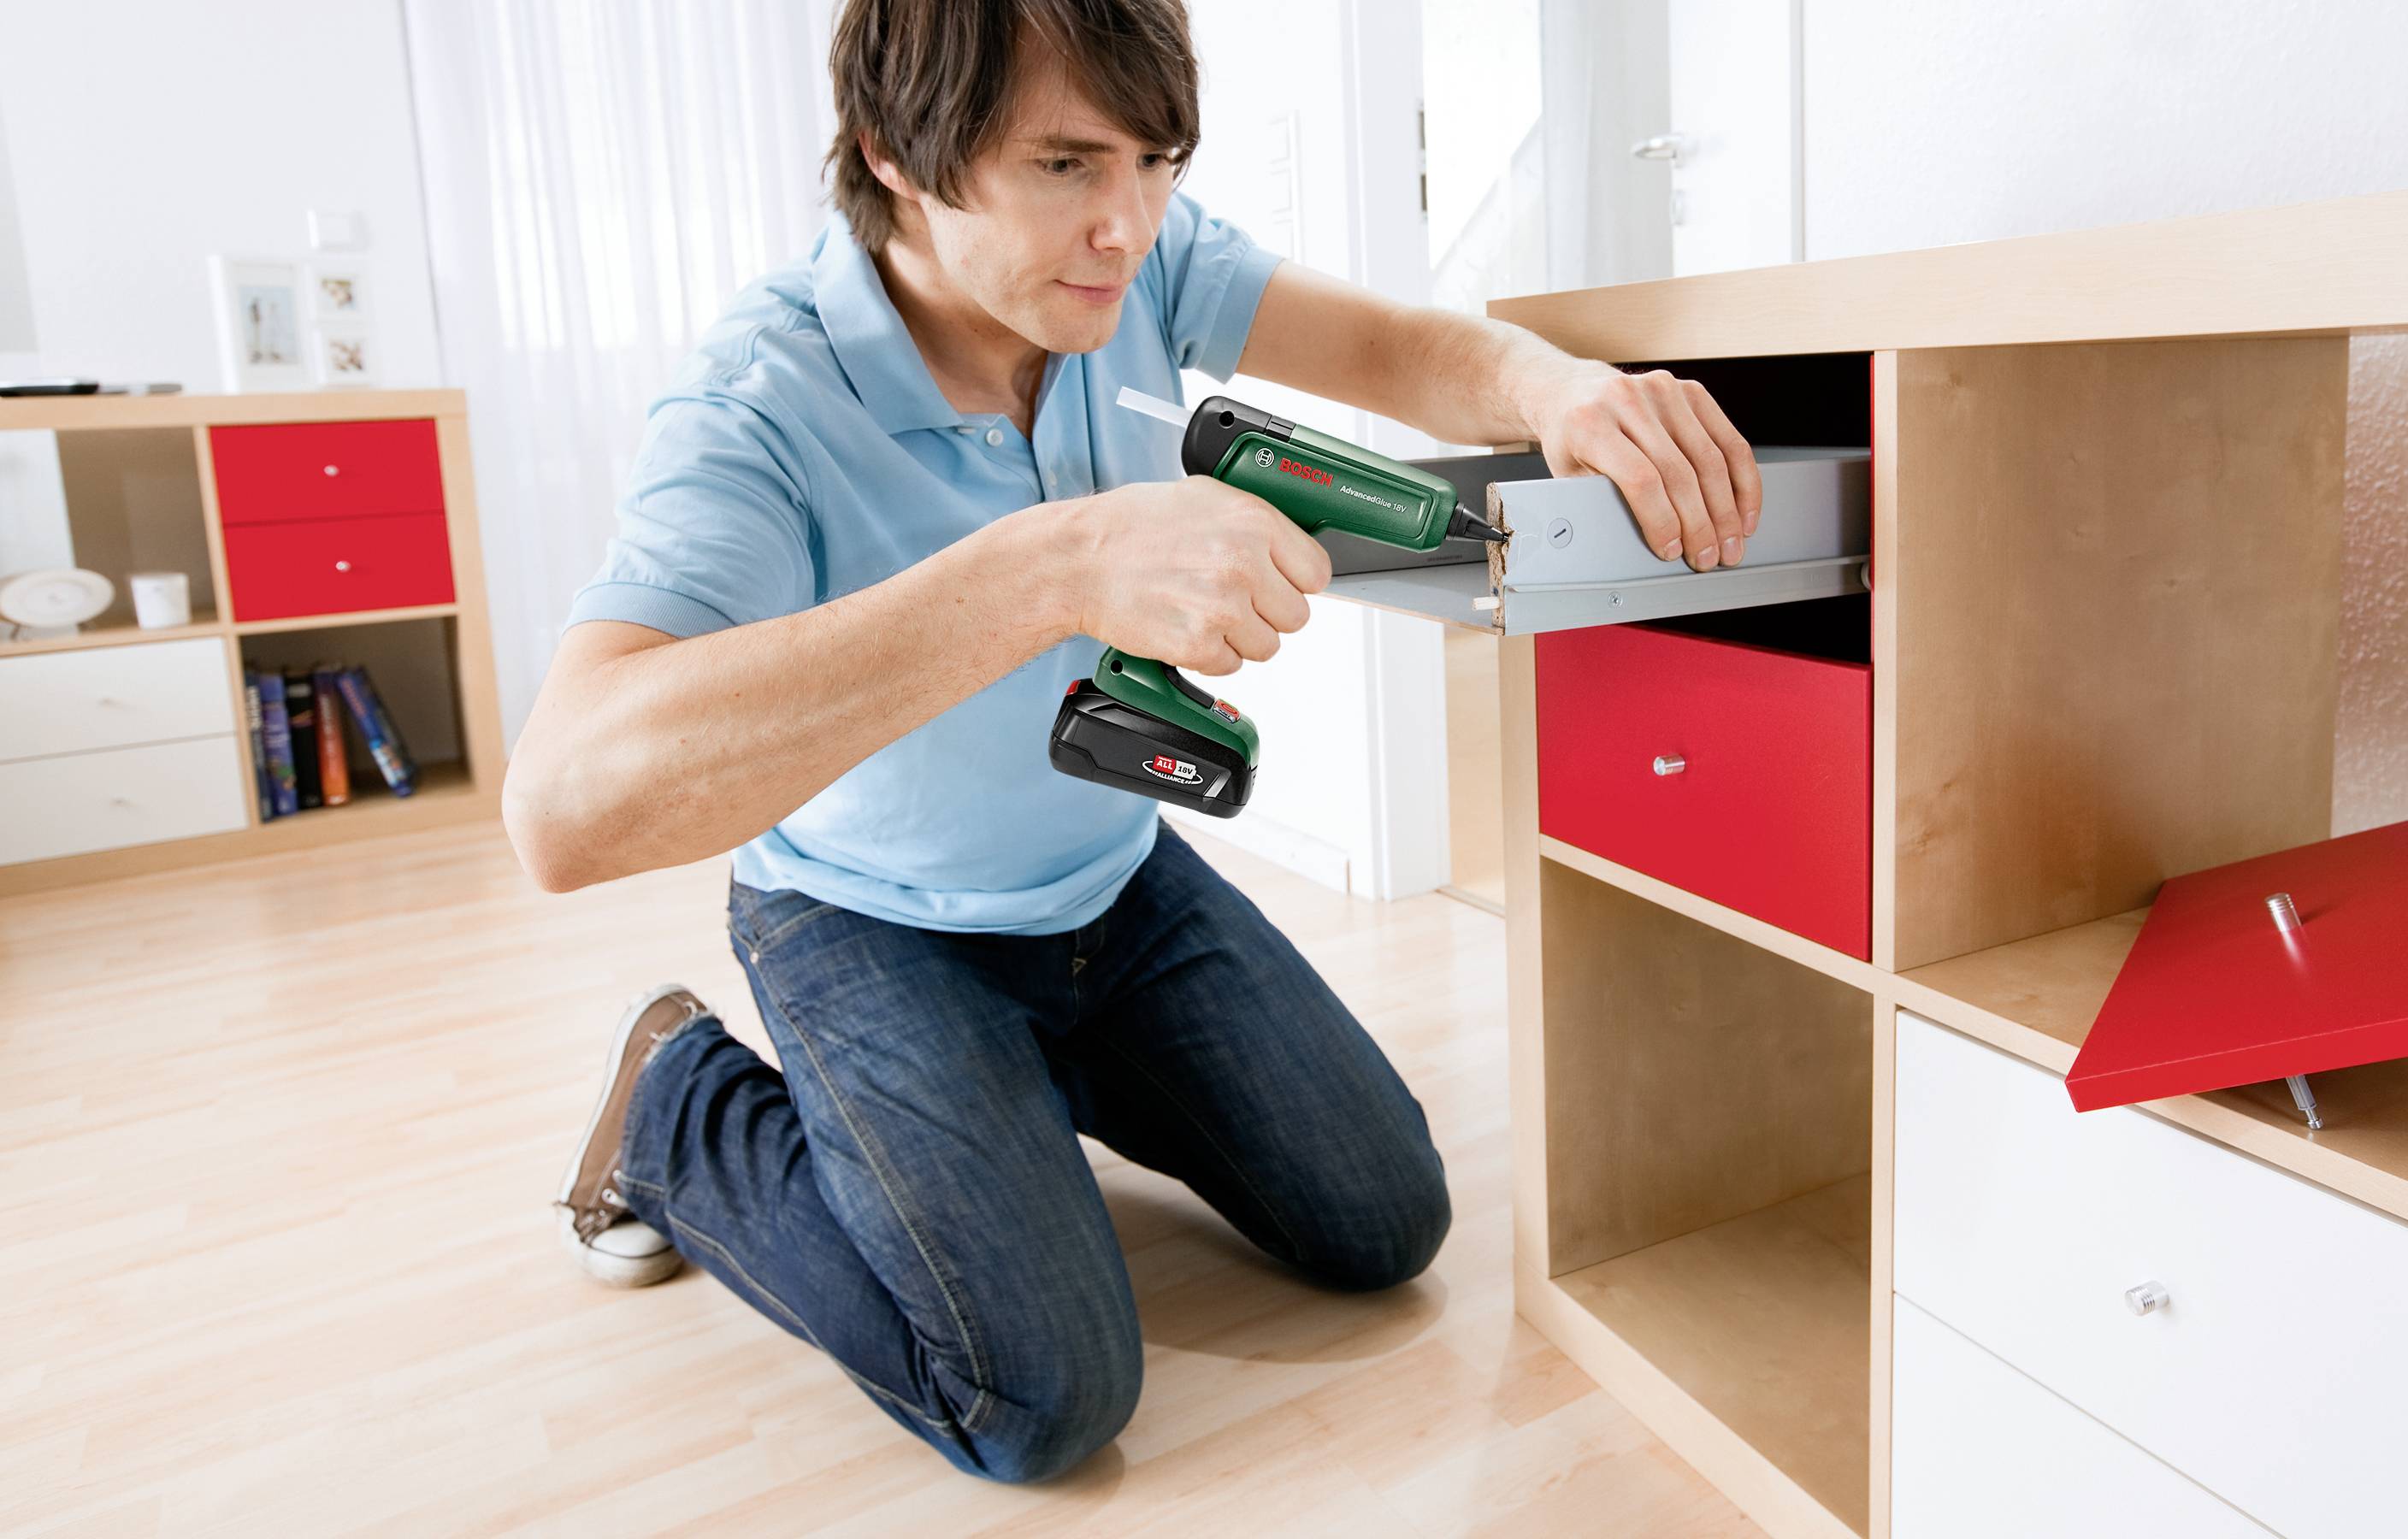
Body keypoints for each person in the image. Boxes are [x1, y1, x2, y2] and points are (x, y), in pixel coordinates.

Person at [503, 0, 1765, 1486]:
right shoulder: (755, 404)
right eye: (1063, 165)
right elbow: (563, 809)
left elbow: (1395, 345)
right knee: (1038, 1401)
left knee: (1386, 1226)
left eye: (1156, 161)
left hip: (1108, 882)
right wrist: (1047, 568)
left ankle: (1022, 1089)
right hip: (868, 915)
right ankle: (677, 1104)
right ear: (894, 154)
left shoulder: (1145, 258)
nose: (1124, 224)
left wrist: (1556, 390)